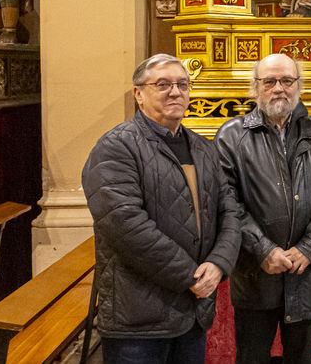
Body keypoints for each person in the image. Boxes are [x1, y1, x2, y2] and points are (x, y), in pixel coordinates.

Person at [83, 54, 239, 364]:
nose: (175, 92)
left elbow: (230, 212)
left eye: (182, 84)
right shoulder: (117, 147)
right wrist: (191, 277)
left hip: (192, 312)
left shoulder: (203, 148)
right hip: (140, 315)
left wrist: (219, 264)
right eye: (163, 84)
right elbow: (125, 225)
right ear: (138, 94)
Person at [214, 53, 311, 364]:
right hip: (254, 272)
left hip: (307, 272)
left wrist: (310, 248)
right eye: (270, 81)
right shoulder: (232, 136)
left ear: (299, 85)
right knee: (251, 357)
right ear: (256, 87)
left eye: (287, 80)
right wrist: (262, 249)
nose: (279, 88)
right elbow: (226, 201)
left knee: (302, 359)